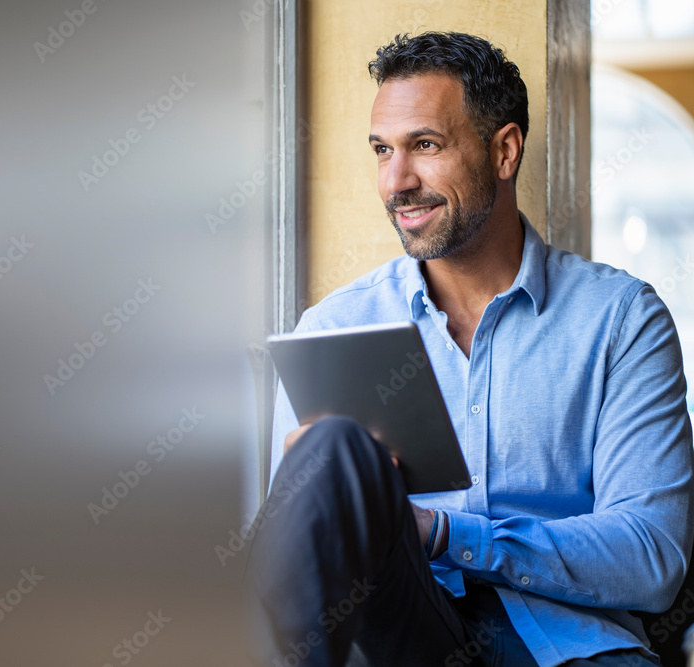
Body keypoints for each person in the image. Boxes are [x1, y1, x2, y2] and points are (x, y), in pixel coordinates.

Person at [248, 31, 694, 667]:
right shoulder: (332, 329)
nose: (396, 182)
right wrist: (319, 488)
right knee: (332, 448)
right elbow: (290, 575)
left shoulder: (620, 319)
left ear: (504, 151)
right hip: (403, 633)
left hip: (573, 646)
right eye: (383, 151)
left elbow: (652, 557)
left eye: (425, 146)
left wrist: (450, 536)